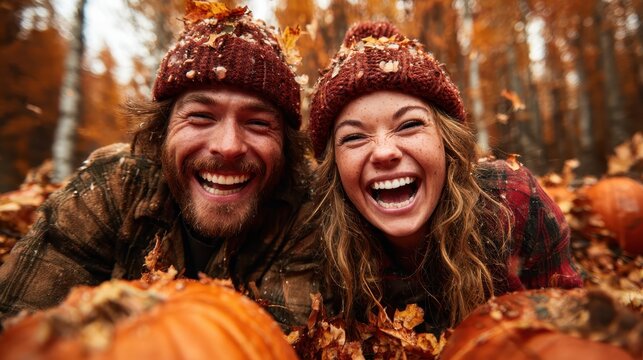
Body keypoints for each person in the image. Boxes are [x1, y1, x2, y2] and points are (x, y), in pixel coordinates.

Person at [0, 3, 322, 330]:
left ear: (286, 145)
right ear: (162, 130)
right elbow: (18, 330)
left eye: (257, 123)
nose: (228, 146)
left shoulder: (308, 213)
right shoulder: (111, 187)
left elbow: (273, 347)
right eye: (201, 117)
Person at [307, 22, 582, 335]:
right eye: (354, 137)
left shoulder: (513, 203)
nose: (384, 152)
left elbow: (573, 333)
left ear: (447, 141)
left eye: (409, 125)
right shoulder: (317, 240)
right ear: (334, 167)